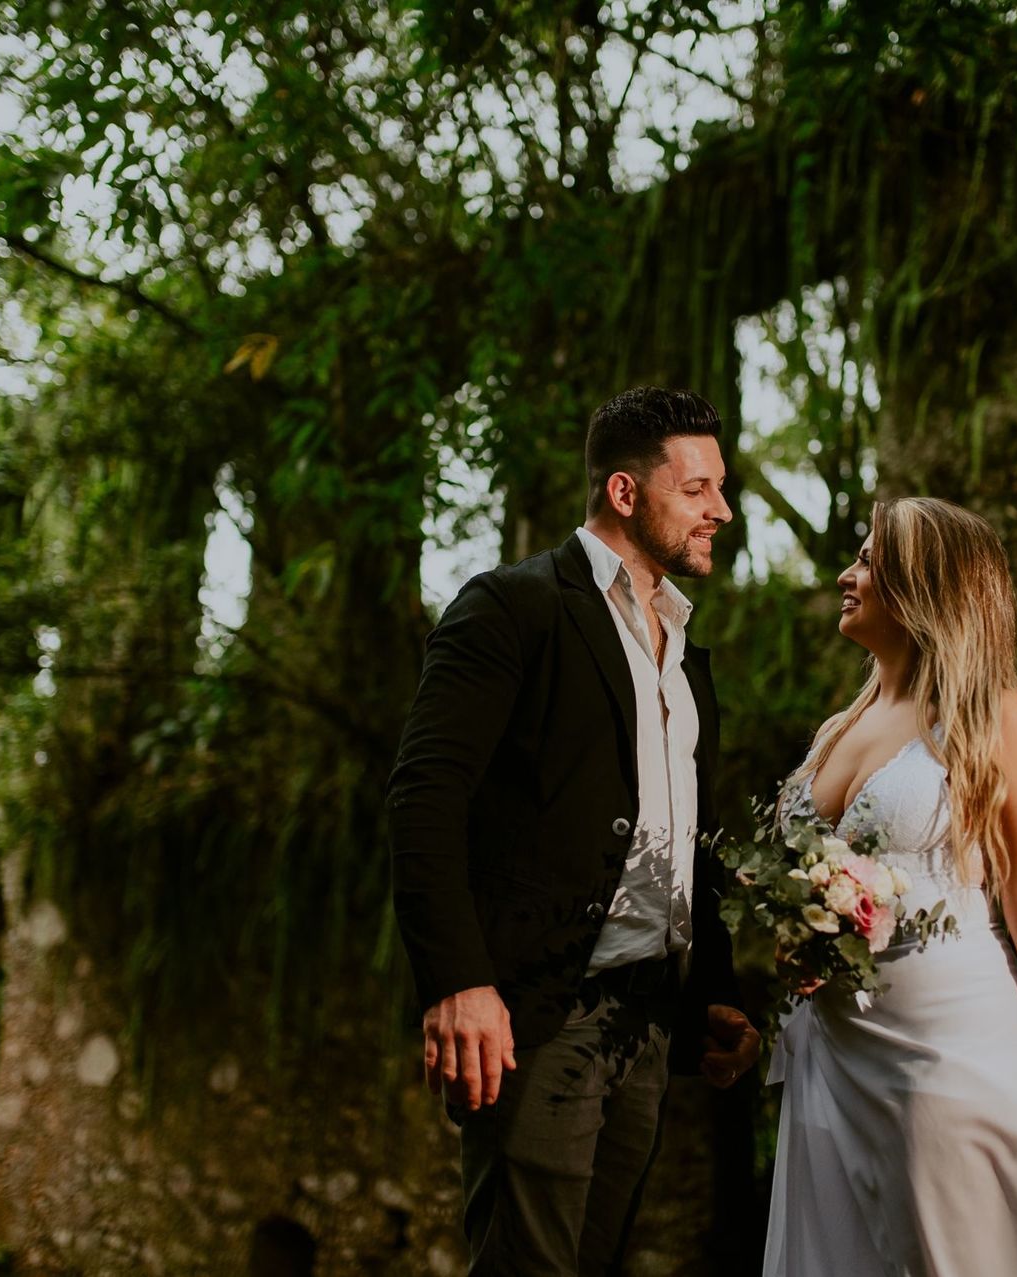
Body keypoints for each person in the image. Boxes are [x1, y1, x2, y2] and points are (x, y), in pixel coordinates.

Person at [387, 386, 760, 1276]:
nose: (723, 509)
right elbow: (424, 795)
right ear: (626, 493)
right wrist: (460, 981)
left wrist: (712, 986)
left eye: (721, 486)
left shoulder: (687, 654)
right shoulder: (512, 608)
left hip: (647, 1020)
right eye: (698, 488)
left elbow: (681, 840)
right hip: (538, 1013)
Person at [762, 496, 1017, 1276]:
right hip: (835, 1063)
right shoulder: (835, 730)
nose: (845, 575)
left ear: (925, 588)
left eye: (868, 562)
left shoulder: (999, 720)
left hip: (949, 1055)